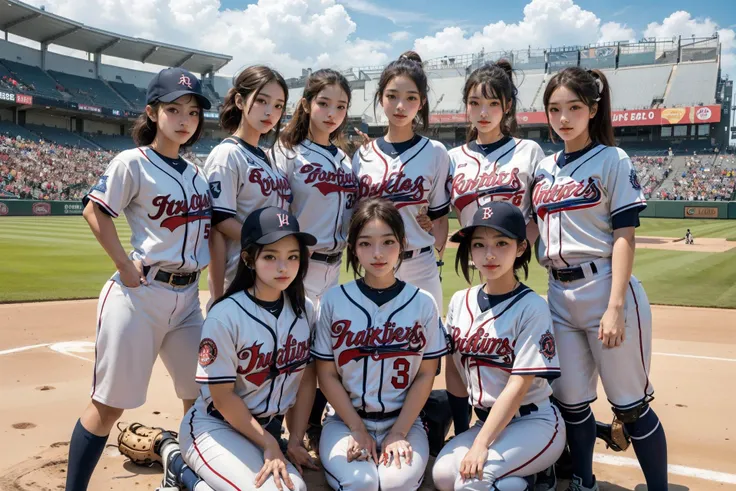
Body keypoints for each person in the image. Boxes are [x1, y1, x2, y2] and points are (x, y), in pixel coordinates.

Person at [66, 67, 212, 491]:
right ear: (152, 112)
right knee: (109, 405)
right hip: (140, 296)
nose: (184, 119)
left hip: (187, 302)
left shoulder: (197, 173)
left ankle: (182, 474)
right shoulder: (133, 161)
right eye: (173, 109)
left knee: (198, 398)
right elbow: (95, 211)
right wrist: (126, 269)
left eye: (192, 111)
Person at [533, 67, 667, 491]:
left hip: (604, 286)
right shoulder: (543, 167)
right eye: (555, 109)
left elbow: (625, 235)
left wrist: (614, 307)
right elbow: (530, 229)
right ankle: (583, 482)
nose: (564, 118)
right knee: (571, 403)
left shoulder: (612, 158)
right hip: (557, 291)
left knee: (630, 407)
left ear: (592, 110)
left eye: (574, 107)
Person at [178, 207, 319, 491]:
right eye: (270, 257)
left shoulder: (306, 311)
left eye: (292, 257)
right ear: (248, 259)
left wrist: (293, 440)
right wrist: (269, 443)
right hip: (215, 427)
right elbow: (222, 398)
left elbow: (306, 380)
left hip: (265, 429)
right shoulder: (226, 315)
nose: (283, 267)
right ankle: (179, 468)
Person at [312, 197, 448, 491]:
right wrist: (357, 429)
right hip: (344, 421)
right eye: (365, 243)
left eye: (388, 242)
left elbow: (426, 374)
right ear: (353, 247)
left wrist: (399, 432)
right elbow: (326, 374)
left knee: (395, 484)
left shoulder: (423, 302)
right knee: (359, 483)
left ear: (402, 243)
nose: (377, 253)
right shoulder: (334, 300)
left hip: (405, 422)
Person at [432, 202, 565, 491]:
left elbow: (519, 385)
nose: (489, 254)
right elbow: (455, 373)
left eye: (501, 243)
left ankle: (536, 466)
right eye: (479, 244)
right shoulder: (459, 301)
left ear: (520, 248)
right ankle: (524, 479)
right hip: (485, 422)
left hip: (534, 421)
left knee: (470, 482)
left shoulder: (532, 307)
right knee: (443, 477)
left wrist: (480, 445)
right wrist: (464, 432)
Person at [446, 59, 545, 440]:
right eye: (474, 103)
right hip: (475, 256)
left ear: (507, 107)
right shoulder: (454, 158)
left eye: (492, 104)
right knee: (469, 346)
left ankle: (534, 426)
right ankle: (468, 427)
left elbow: (537, 212)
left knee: (518, 343)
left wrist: (517, 253)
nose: (482, 113)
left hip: (510, 260)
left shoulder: (528, 151)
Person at [352, 50, 451, 314]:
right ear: (380, 99)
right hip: (376, 263)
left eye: (410, 98)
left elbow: (440, 217)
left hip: (420, 264)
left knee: (427, 344)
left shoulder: (435, 152)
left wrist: (437, 252)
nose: (400, 106)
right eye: (392, 96)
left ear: (421, 102)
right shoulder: (363, 155)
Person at [204, 66, 291, 302]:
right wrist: (218, 296)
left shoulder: (270, 158)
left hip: (273, 273)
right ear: (240, 101)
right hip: (239, 276)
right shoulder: (227, 155)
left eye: (278, 105)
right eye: (262, 101)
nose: (270, 112)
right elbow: (219, 225)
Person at [272, 68, 355, 306]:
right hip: (300, 265)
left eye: (341, 106)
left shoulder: (345, 159)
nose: (332, 113)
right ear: (306, 105)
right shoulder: (287, 151)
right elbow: (276, 212)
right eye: (324, 103)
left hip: (336, 265)